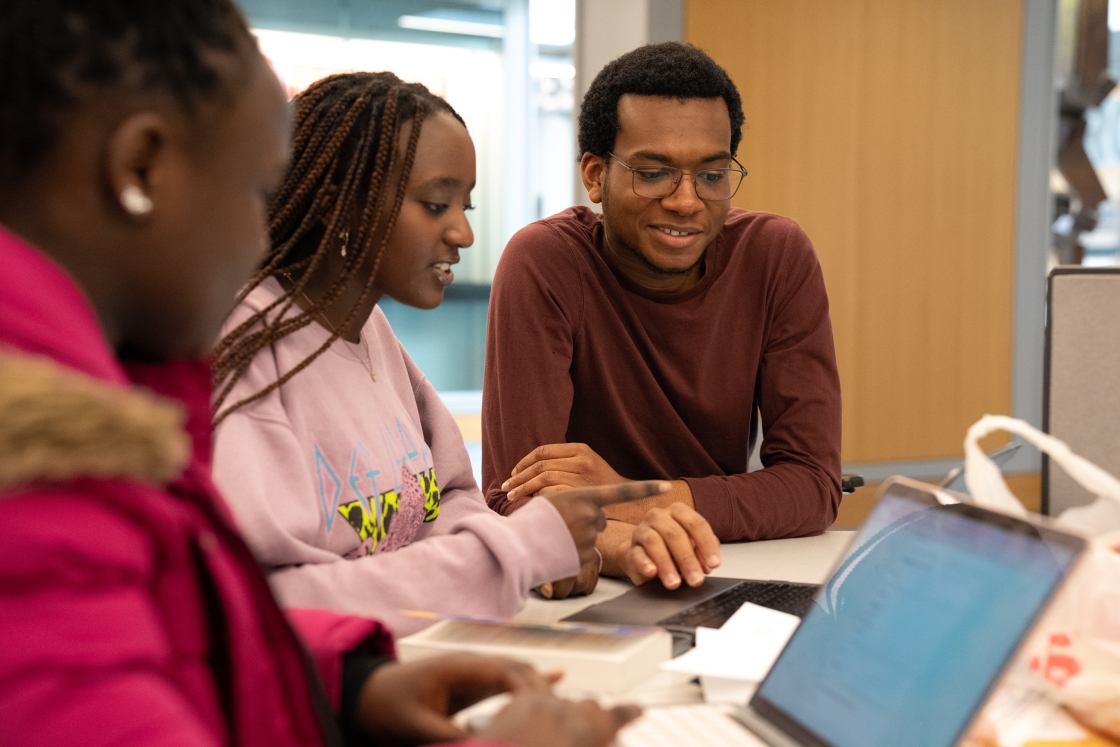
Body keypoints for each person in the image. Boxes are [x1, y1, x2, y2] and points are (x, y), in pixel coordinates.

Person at [0, 2, 642, 745]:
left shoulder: (111, 410)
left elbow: (192, 628)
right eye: (257, 192)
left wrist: (348, 681)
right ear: (140, 168)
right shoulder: (44, 478)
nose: (265, 234)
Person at [209, 71, 660, 621]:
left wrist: (522, 550)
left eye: (464, 208)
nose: (463, 234)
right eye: (434, 204)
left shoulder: (369, 327)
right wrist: (514, 552)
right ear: (342, 204)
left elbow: (445, 501)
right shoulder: (248, 347)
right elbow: (271, 604)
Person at [483, 43, 843, 586]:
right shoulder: (544, 262)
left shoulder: (776, 256)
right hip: (595, 583)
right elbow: (519, 499)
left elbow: (814, 486)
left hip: (717, 566)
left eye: (712, 176)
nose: (686, 201)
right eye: (653, 173)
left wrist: (633, 495)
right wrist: (632, 542)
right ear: (596, 174)